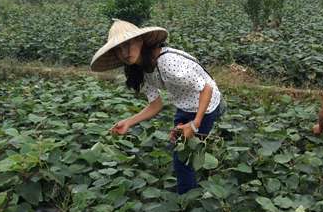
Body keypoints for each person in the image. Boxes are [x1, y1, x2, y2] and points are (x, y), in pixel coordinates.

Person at [90, 19, 223, 194]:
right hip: (184, 104)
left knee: (183, 161)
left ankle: (187, 201)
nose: (125, 52)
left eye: (128, 45)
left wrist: (194, 124)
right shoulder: (142, 68)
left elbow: (207, 88)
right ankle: (195, 162)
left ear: (140, 41)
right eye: (119, 49)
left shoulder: (167, 63)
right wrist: (128, 122)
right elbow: (156, 105)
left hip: (206, 106)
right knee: (179, 146)